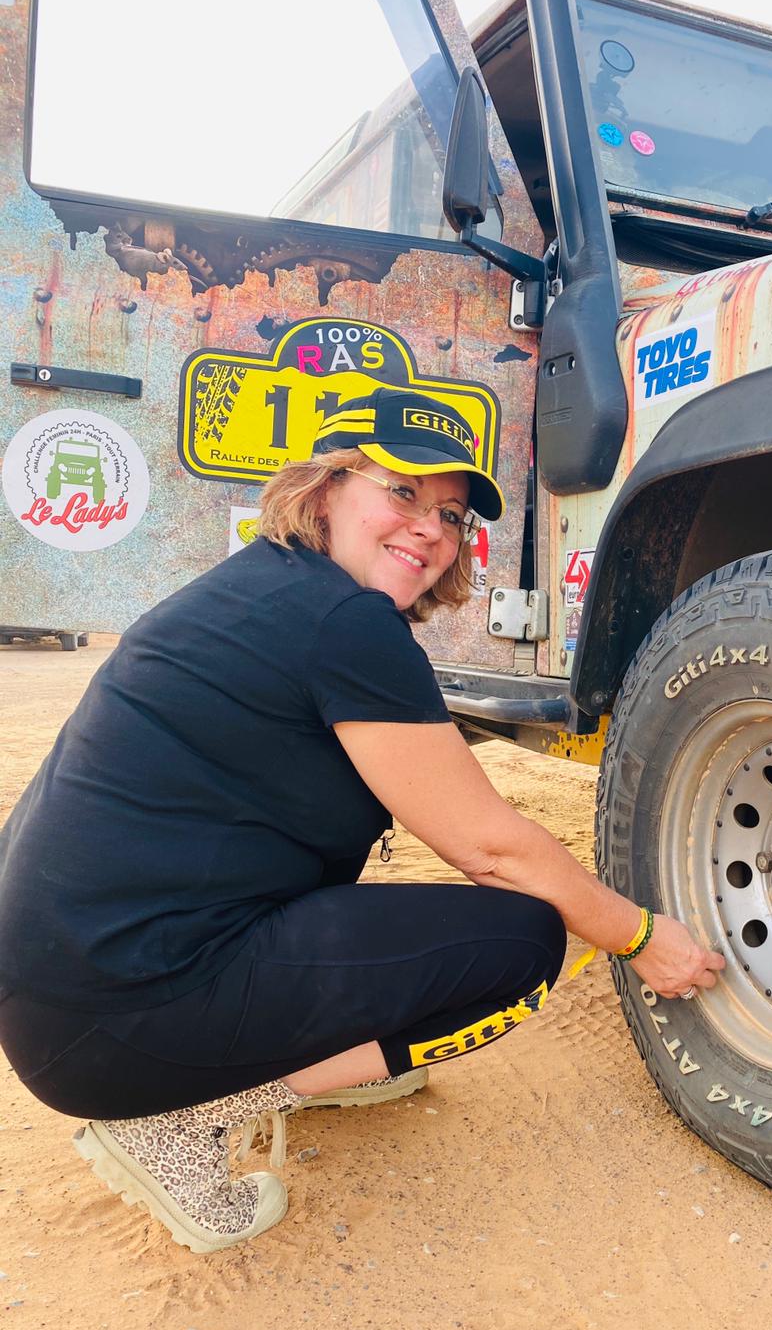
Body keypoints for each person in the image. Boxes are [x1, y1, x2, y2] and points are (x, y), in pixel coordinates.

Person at [0, 387, 724, 1254]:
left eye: (451, 515)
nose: (430, 527)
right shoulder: (346, 623)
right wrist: (642, 938)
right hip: (110, 1022)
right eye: (402, 491)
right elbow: (489, 847)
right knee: (525, 942)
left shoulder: (271, 588)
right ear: (327, 489)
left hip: (57, 981)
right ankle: (185, 1117)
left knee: (394, 919)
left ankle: (281, 1063)